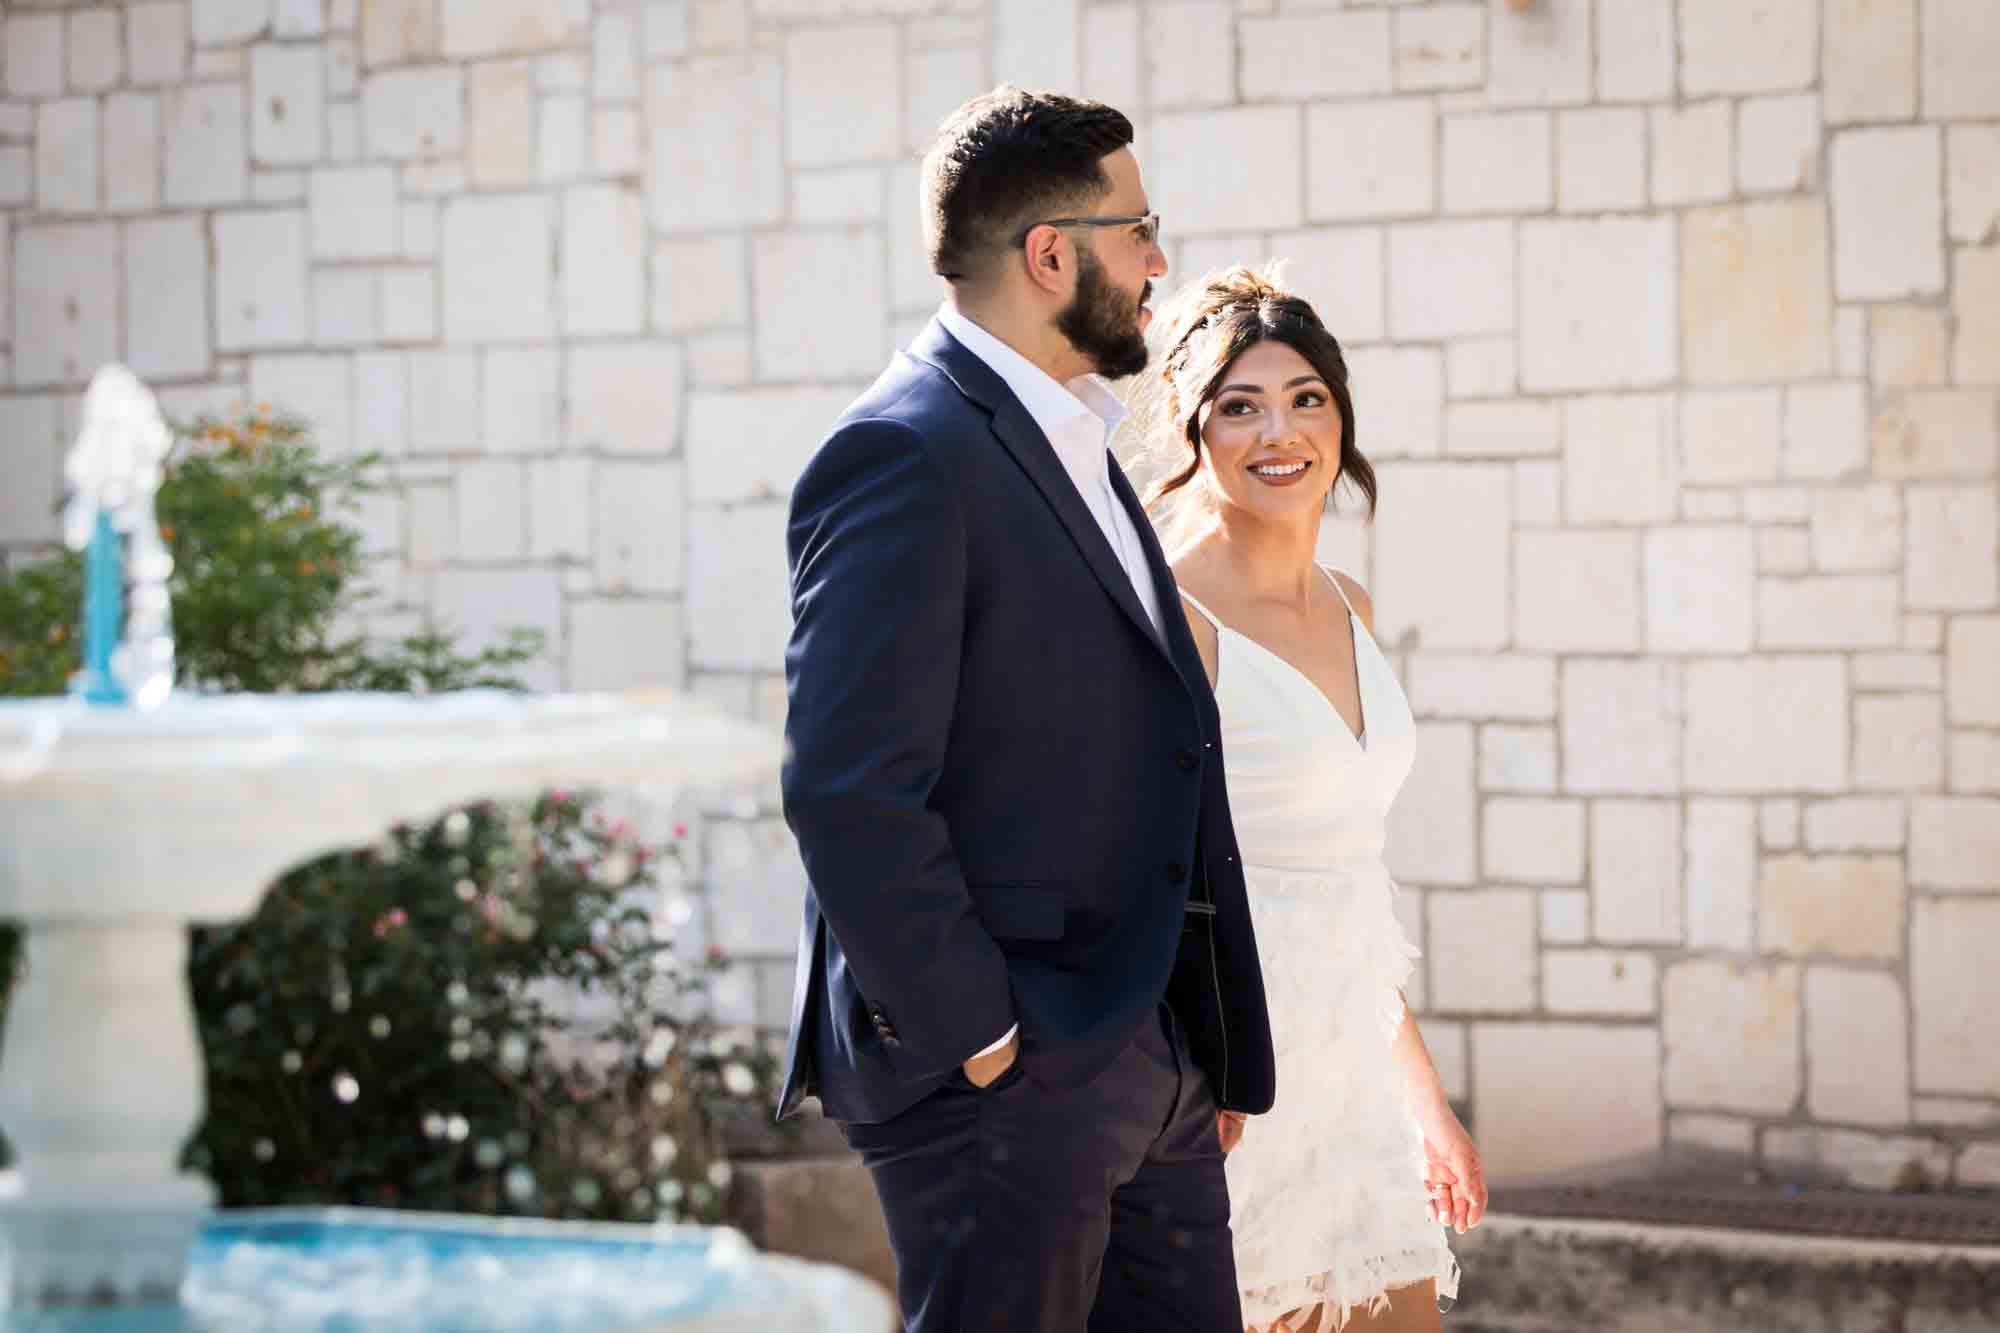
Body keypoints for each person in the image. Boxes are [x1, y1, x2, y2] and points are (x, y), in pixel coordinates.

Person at [776, 88, 1276, 1333]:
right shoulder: (903, 450)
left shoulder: (1072, 438)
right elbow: (845, 783)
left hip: (1140, 1052)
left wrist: (1187, 1036)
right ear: (1050, 254)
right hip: (1006, 1071)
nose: (1160, 260)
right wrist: (984, 1034)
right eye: (1138, 228)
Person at [1136, 267, 1485, 1333]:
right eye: (1237, 405)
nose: (1275, 431)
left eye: (1304, 399)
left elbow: (1349, 885)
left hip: (1355, 1090)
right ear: (1194, 431)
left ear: (1338, 419)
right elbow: (1128, 870)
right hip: (1230, 1088)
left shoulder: (1352, 603)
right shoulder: (1170, 612)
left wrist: (1424, 1100)